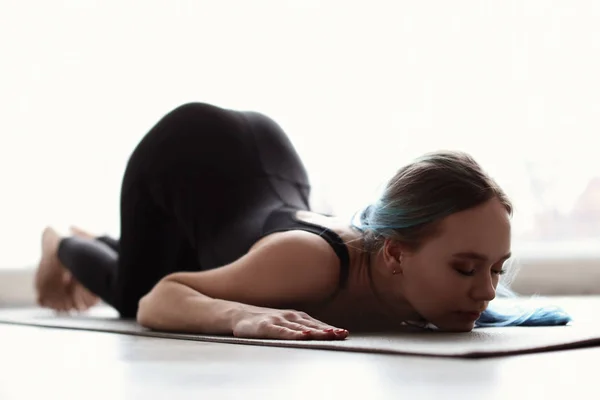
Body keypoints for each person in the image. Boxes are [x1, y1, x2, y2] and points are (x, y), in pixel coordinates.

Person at [34, 102, 571, 340]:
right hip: (185, 154)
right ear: (394, 254)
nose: (486, 292)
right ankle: (60, 242)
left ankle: (99, 240)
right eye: (465, 269)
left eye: (496, 270)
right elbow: (161, 300)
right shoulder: (307, 266)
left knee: (202, 261)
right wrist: (238, 316)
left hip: (269, 163)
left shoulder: (417, 273)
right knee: (134, 295)